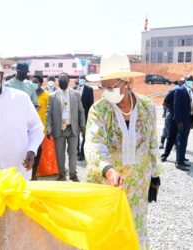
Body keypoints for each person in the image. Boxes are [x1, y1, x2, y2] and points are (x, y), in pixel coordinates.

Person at [84, 53, 162, 249]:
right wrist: (108, 169)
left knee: (136, 229)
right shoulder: (99, 110)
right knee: (107, 231)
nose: (106, 91)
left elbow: (153, 142)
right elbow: (94, 143)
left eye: (111, 86)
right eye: (103, 86)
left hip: (138, 184)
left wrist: (155, 176)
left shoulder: (147, 107)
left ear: (127, 82)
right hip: (108, 184)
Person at [46, 72, 85, 182]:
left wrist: (83, 126)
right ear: (58, 82)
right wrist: (49, 127)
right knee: (60, 153)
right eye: (60, 80)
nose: (62, 82)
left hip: (73, 128)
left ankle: (73, 174)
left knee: (73, 153)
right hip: (59, 128)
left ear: (68, 81)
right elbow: (49, 113)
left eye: (64, 80)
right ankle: (62, 174)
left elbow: (81, 111)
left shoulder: (76, 94)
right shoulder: (52, 96)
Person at [173, 76, 193, 170]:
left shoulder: (192, 91)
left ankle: (181, 158)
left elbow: (192, 106)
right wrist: (178, 121)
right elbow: (176, 107)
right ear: (185, 81)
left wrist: (192, 120)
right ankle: (179, 162)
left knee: (184, 140)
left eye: (192, 80)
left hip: (188, 119)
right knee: (181, 141)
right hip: (181, 120)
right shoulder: (179, 90)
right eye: (189, 80)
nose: (191, 82)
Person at [30, 75, 49, 180]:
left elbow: (49, 111)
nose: (33, 83)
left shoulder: (46, 95)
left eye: (36, 82)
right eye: (32, 82)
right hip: (30, 127)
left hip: (41, 127)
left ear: (41, 83)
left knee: (39, 150)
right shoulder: (29, 94)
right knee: (32, 149)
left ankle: (35, 173)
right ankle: (31, 173)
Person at [74, 75, 94, 161]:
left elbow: (91, 103)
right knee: (75, 135)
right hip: (75, 117)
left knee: (85, 136)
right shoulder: (73, 89)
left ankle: (82, 153)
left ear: (85, 80)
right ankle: (76, 151)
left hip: (85, 116)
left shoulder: (89, 90)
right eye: (80, 79)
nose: (81, 80)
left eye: (83, 79)